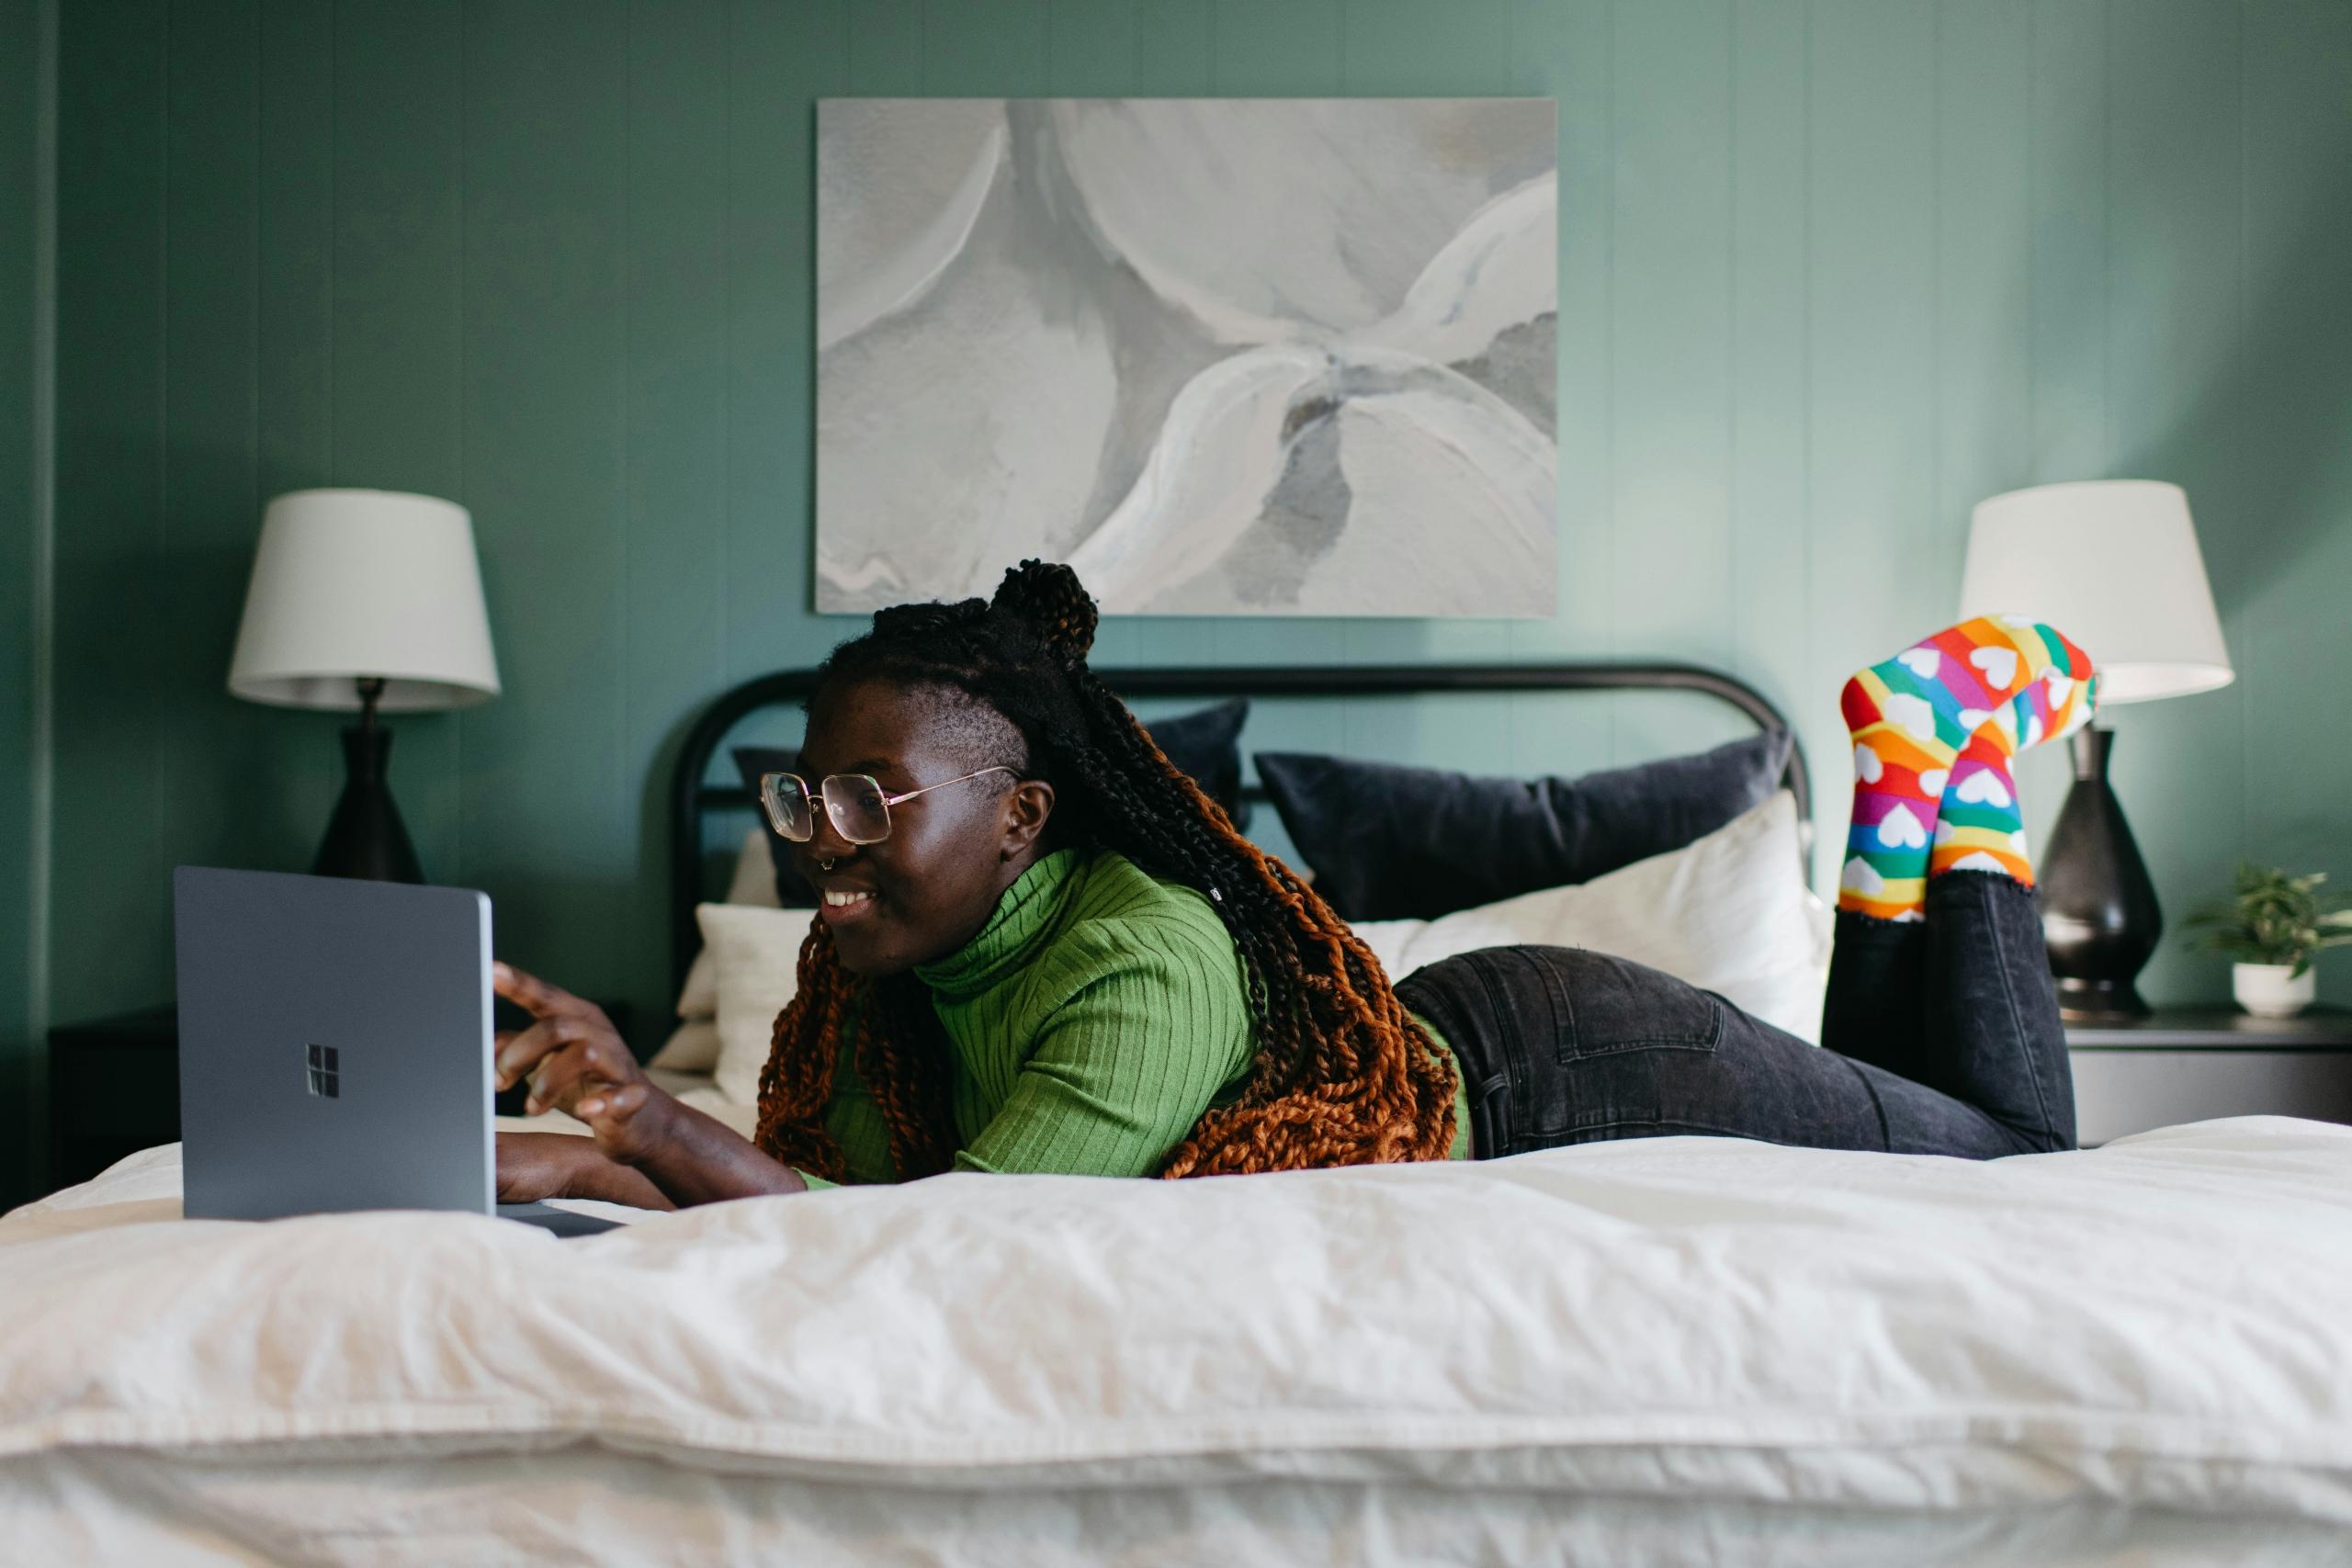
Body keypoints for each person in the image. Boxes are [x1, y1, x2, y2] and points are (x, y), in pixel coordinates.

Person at [492, 561, 2096, 1210]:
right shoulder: (876, 973)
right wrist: (602, 1155)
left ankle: (1959, 781)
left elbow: (952, 1246)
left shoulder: (1140, 963)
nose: (816, 839)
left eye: (866, 801)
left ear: (1023, 818)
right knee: (1916, 1127)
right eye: (801, 795)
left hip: (1578, 1066)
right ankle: (1914, 772)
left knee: (2009, 1164)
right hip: (1487, 1042)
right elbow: (819, 1206)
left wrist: (654, 1129)